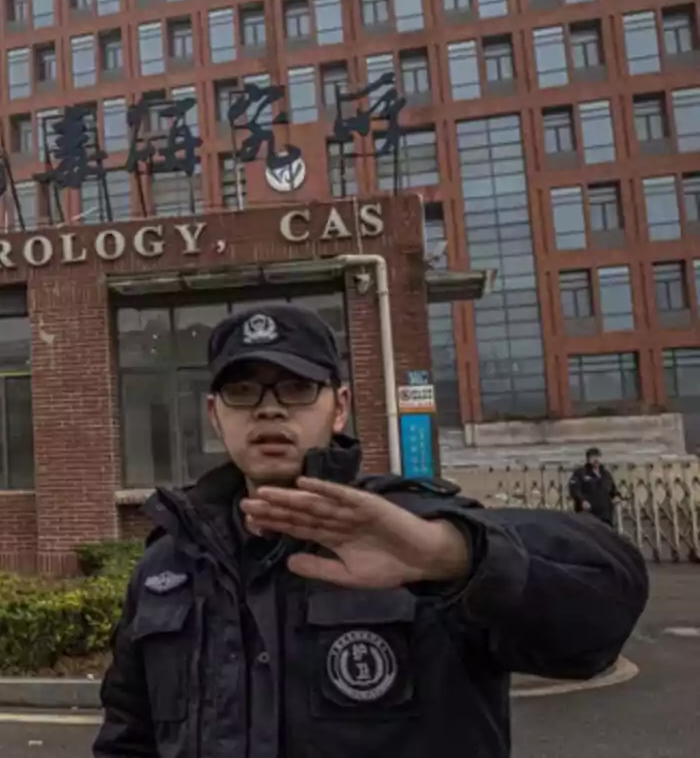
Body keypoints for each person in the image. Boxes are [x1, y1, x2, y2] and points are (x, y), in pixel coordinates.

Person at [93, 304, 649, 758]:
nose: (268, 411)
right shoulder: (171, 563)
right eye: (244, 393)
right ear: (215, 416)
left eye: (295, 388)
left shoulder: (416, 531)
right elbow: (129, 739)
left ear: (339, 409)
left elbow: (602, 615)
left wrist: (450, 556)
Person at [568, 447, 621, 527]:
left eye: (598, 457)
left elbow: (613, 489)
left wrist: (616, 496)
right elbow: (574, 489)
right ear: (588, 459)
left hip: (605, 515)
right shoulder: (580, 473)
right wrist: (582, 501)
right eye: (593, 457)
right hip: (587, 514)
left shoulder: (606, 474)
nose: (596, 460)